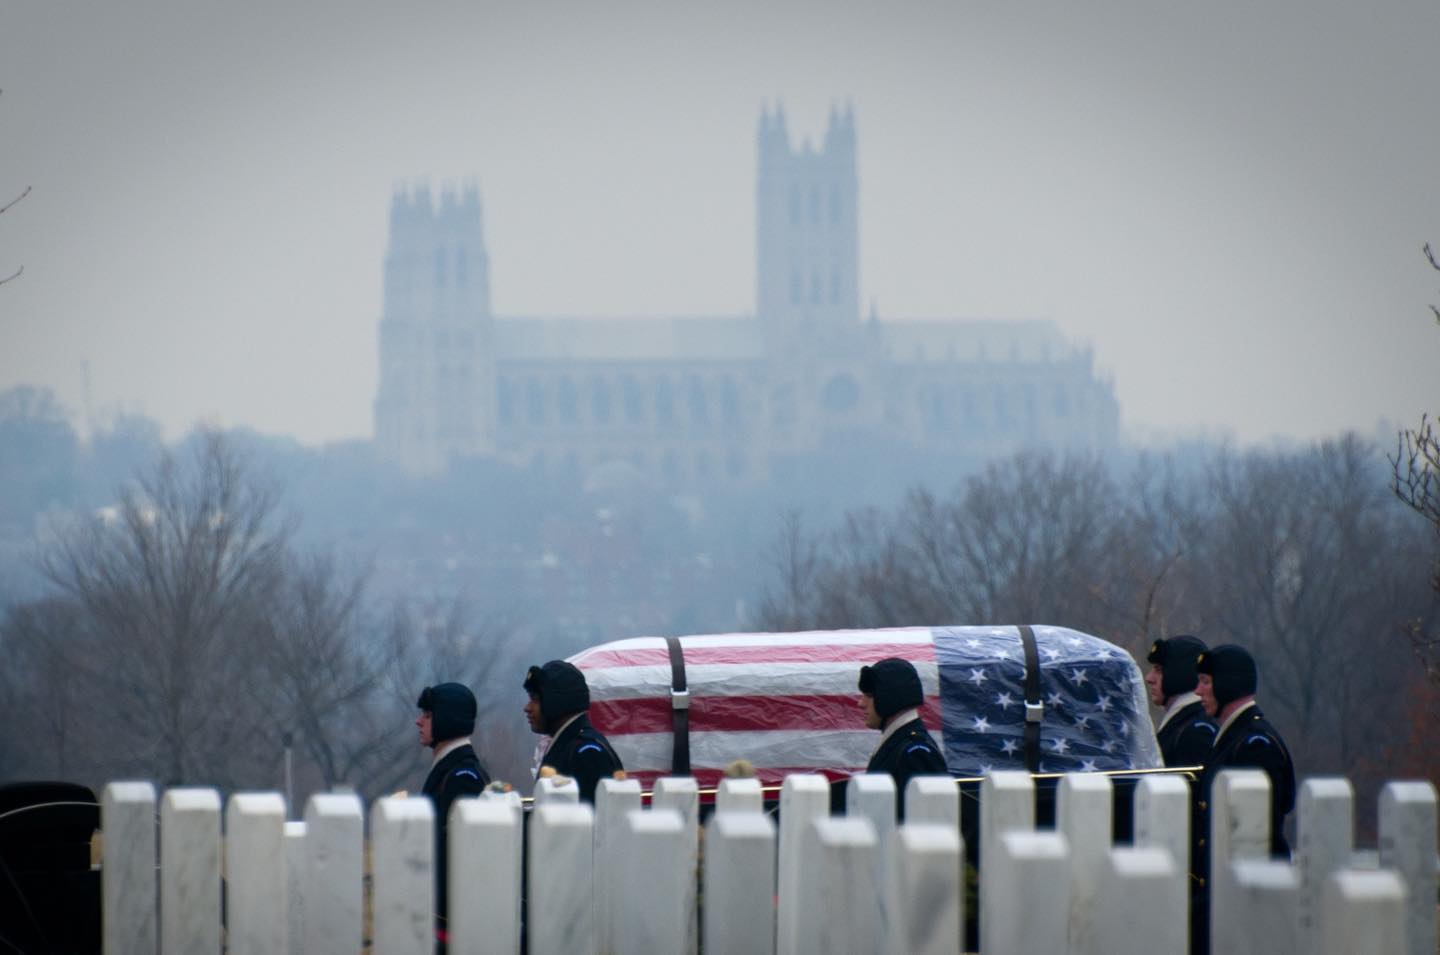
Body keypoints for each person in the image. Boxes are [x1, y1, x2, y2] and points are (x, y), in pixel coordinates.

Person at [1189, 644, 1296, 955]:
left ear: (1229, 683)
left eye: (1206, 681)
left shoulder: (1254, 745)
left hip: (1246, 901)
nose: (1198, 691)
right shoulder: (1233, 738)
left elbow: (1254, 837)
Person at [416, 682, 490, 945]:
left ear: (447, 718)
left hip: (451, 922)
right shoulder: (452, 770)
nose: (418, 721)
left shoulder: (463, 776)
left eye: (427, 715)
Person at [858, 657, 949, 817]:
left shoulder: (915, 752)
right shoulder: (899, 743)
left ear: (890, 697)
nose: (861, 703)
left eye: (870, 695)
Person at [523, 660, 623, 803]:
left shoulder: (587, 752)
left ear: (556, 701)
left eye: (535, 699)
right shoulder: (569, 746)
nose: (527, 707)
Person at [1144, 635, 1218, 767]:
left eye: (1158, 670)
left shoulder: (1197, 732)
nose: (1149, 678)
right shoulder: (1185, 722)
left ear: (1179, 674)